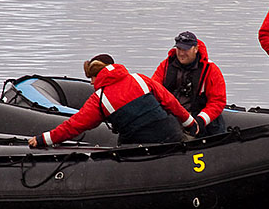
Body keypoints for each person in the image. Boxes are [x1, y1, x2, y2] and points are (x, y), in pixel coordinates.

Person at [28, 54, 199, 148]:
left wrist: (44, 139)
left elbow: (75, 125)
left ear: (97, 76)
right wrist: (190, 123)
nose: (91, 83)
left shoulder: (100, 99)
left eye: (92, 78)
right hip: (171, 133)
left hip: (140, 145)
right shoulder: (139, 78)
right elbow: (171, 102)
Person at [152, 31, 227, 137]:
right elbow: (154, 91)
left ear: (195, 49)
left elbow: (218, 101)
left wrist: (200, 121)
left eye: (185, 49)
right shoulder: (165, 66)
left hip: (199, 118)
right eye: (179, 49)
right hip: (173, 117)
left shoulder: (210, 70)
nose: (181, 53)